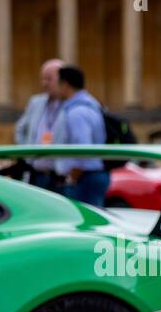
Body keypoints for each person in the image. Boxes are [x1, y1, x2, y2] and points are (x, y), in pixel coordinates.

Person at [51, 65, 110, 208]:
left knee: (83, 224)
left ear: (65, 85)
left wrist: (72, 177)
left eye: (58, 83)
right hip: (91, 175)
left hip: (83, 179)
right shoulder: (91, 106)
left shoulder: (76, 112)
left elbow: (82, 147)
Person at [15, 58, 63, 145]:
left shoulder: (71, 105)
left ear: (62, 80)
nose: (44, 83)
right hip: (35, 158)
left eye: (49, 79)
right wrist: (26, 152)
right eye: (43, 79)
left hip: (59, 157)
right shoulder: (35, 102)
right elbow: (20, 129)